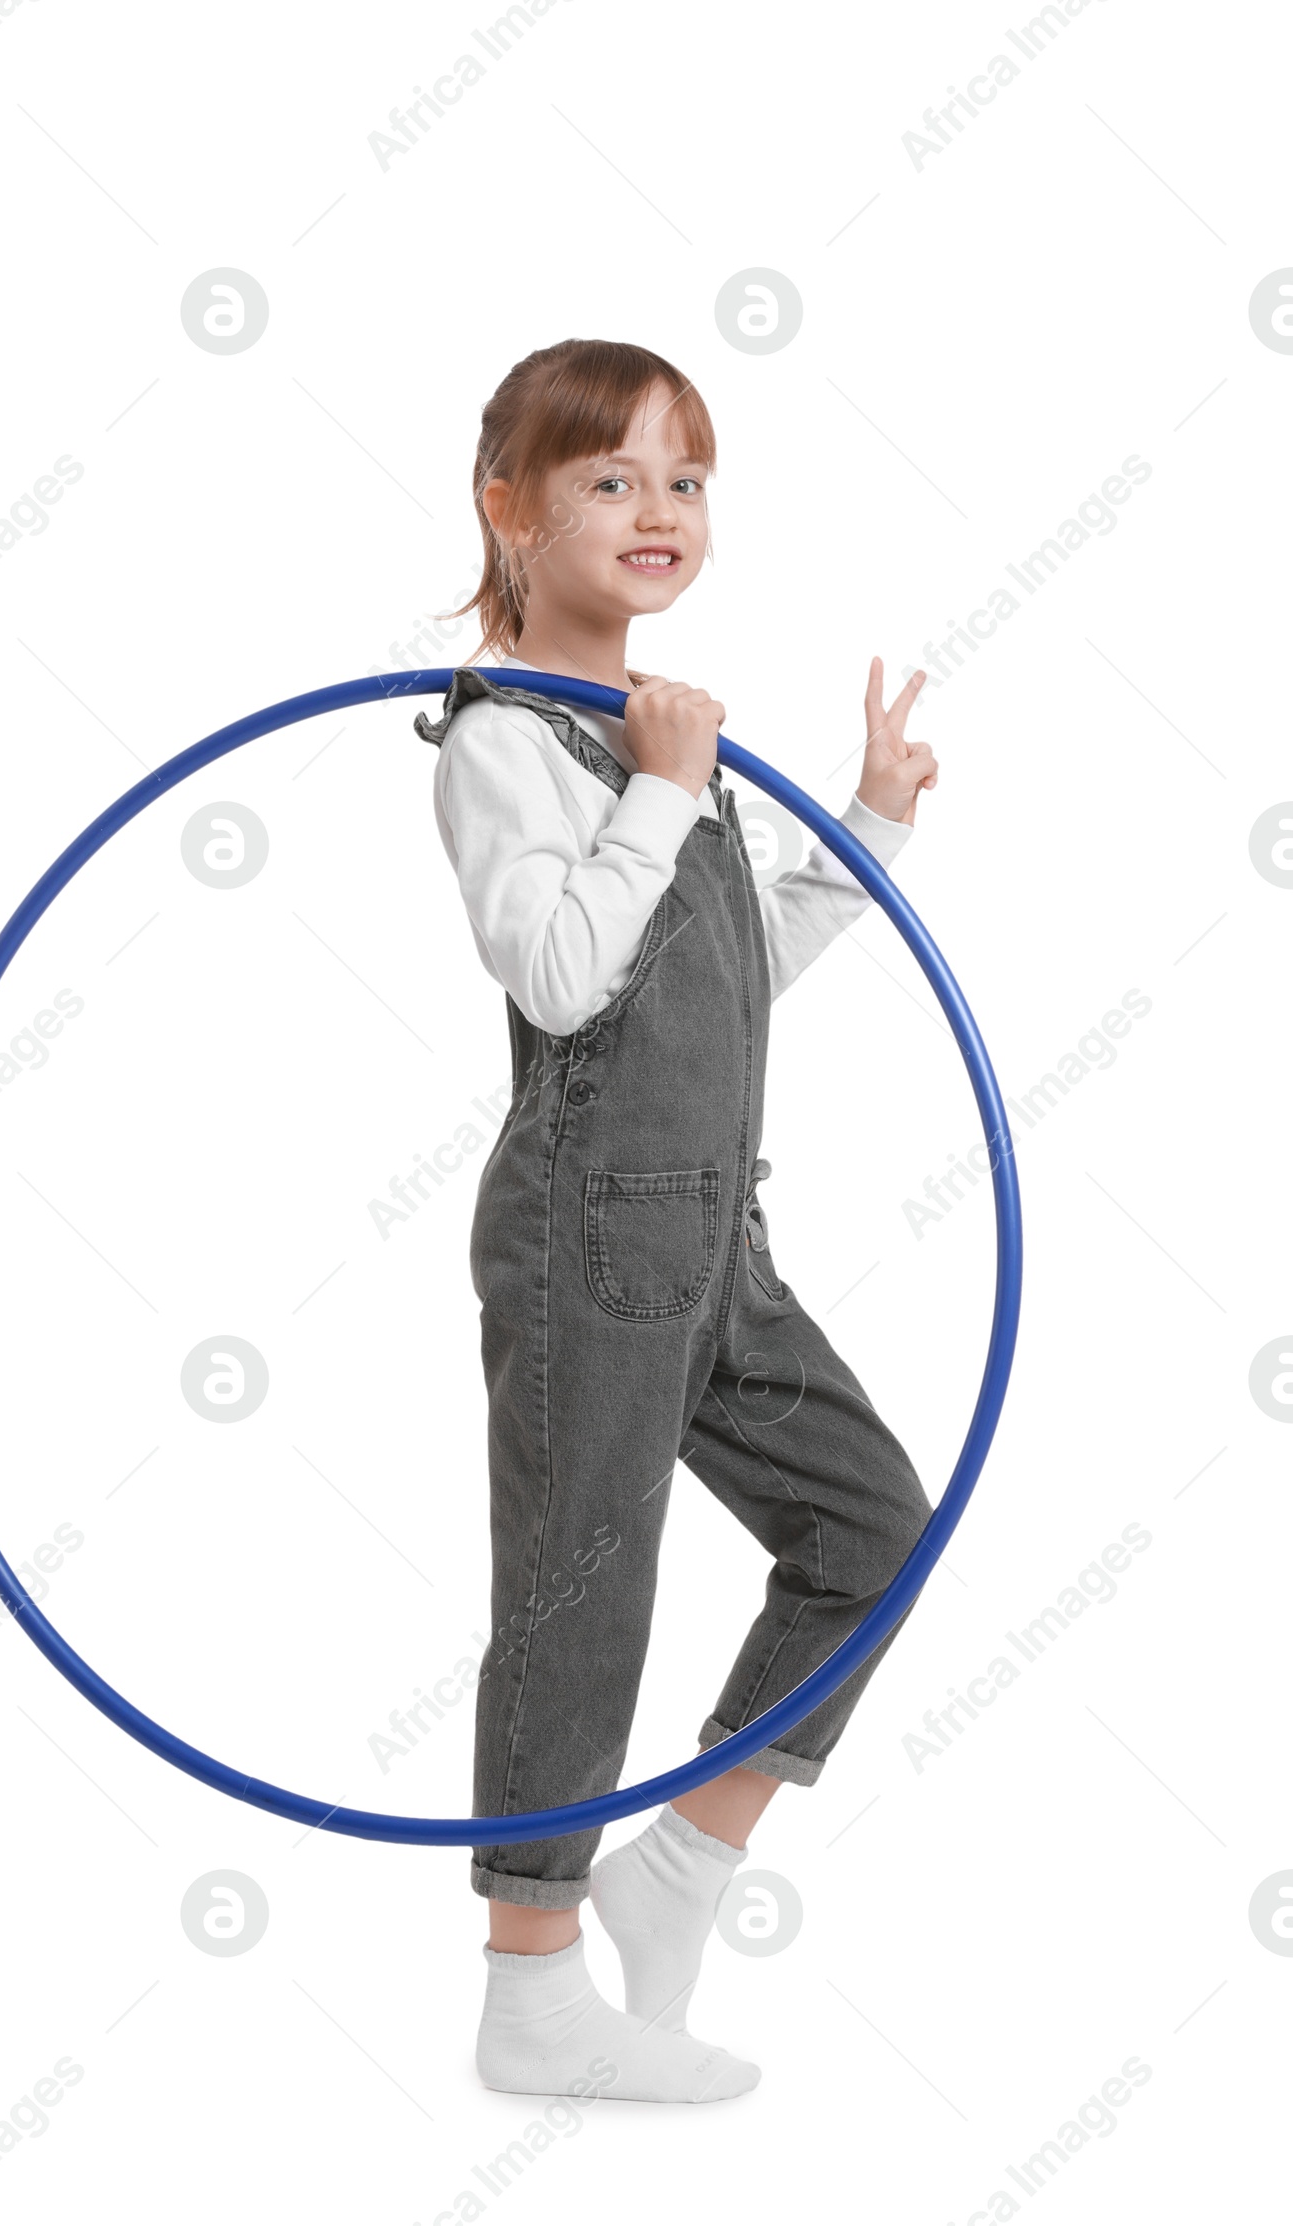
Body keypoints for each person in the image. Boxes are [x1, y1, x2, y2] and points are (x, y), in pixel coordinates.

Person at [415, 338, 940, 2104]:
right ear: (509, 505)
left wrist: (864, 821)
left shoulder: (662, 745)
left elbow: (722, 987)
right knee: (582, 1595)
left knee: (873, 1523)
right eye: (612, 476)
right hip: (585, 1237)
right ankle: (534, 1990)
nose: (659, 510)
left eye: (686, 478)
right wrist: (655, 782)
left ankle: (683, 1857)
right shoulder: (505, 740)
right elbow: (566, 980)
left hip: (720, 1238)